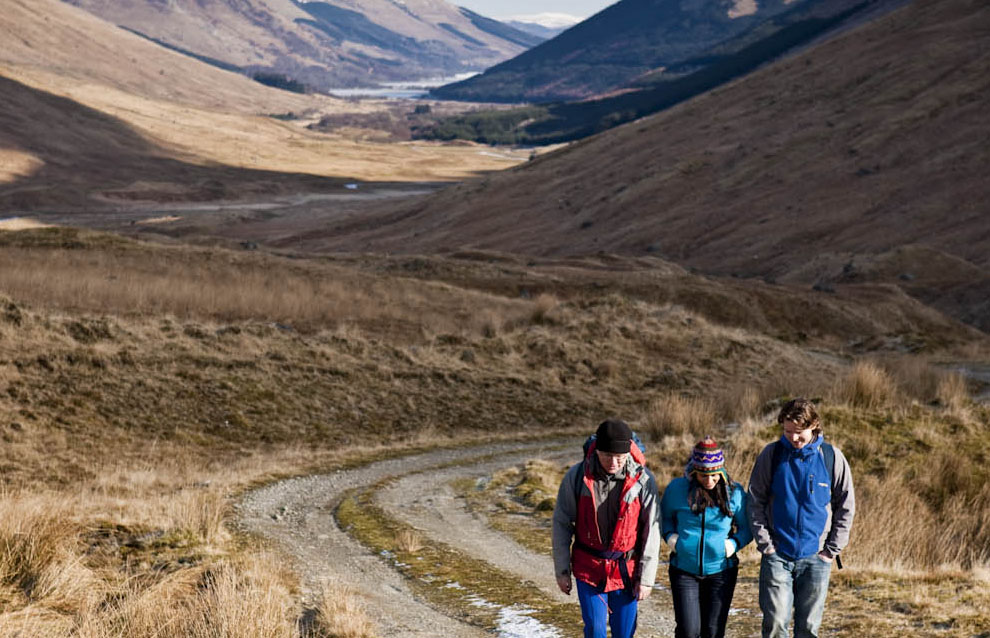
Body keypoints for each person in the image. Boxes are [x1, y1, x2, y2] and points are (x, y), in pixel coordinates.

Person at [748, 398, 855, 638]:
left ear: (814, 426)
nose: (793, 438)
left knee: (808, 629)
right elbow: (755, 500)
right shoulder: (771, 455)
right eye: (787, 432)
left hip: (817, 558)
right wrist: (767, 546)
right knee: (775, 624)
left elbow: (846, 506)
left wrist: (831, 550)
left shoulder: (832, 457)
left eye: (799, 433)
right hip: (777, 555)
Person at [552, 418, 660, 638]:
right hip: (589, 568)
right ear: (596, 451)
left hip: (626, 571)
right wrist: (562, 571)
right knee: (595, 631)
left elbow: (652, 531)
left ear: (629, 452)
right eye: (607, 456)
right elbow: (561, 524)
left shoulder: (644, 480)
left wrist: (646, 578)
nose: (613, 463)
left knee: (624, 633)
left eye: (619, 457)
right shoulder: (577, 477)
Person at [661, 437, 753, 638]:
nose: (709, 481)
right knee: (688, 631)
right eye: (703, 475)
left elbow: (748, 528)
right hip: (684, 570)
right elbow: (665, 519)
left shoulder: (735, 493)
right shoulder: (676, 489)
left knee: (713, 631)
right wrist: (671, 539)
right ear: (694, 471)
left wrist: (732, 544)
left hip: (721, 571)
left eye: (714, 475)